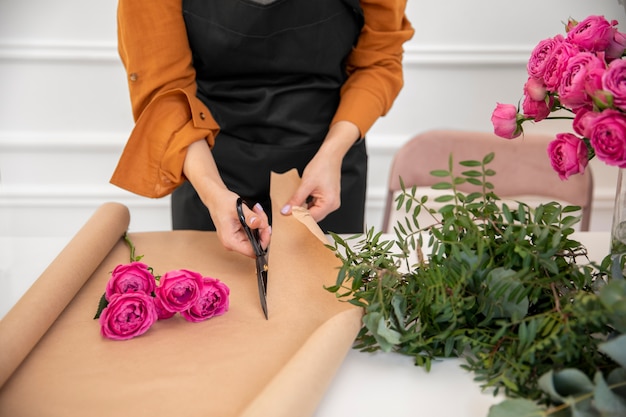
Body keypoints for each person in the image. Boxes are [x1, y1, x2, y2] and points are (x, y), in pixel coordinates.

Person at [110, 0, 414, 258]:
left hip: (327, 164)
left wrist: (332, 153)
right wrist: (214, 193)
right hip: (207, 163)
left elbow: (379, 60)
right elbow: (165, 93)